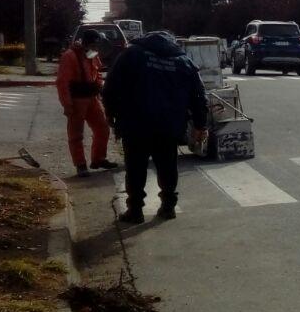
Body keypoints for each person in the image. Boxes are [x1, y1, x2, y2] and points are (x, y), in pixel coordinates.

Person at [102, 31, 208, 223]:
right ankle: (168, 206)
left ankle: (135, 210)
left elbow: (110, 86)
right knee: (167, 165)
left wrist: (111, 113)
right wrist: (200, 125)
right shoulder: (183, 61)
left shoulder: (131, 54)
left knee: (135, 167)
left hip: (136, 123)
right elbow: (199, 96)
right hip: (169, 125)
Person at [56, 29, 117, 178]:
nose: (96, 48)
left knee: (103, 128)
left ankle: (98, 159)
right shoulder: (70, 56)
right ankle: (80, 164)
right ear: (86, 43)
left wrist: (99, 88)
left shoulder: (91, 54)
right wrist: (67, 104)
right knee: (76, 134)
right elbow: (62, 82)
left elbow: (97, 73)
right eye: (94, 45)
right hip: (77, 100)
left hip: (92, 98)